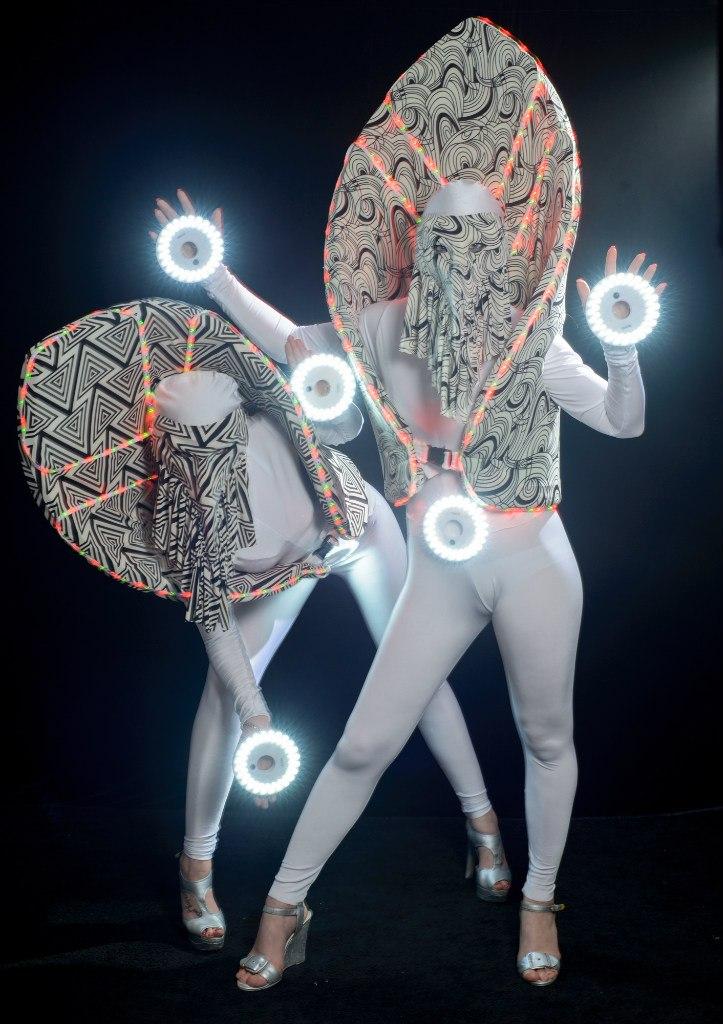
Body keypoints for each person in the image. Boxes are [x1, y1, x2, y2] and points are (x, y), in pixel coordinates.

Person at [234, 17, 667, 990]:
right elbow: (295, 340)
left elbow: (622, 420)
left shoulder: (528, 335)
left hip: (530, 557)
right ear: (419, 243)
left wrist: (622, 344)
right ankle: (284, 906)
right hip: (442, 567)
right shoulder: (381, 327)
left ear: (502, 244)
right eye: (443, 234)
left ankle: (540, 898)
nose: (461, 253)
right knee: (363, 741)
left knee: (545, 736)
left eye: (479, 236)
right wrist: (212, 273)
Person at [150, 190, 509, 952]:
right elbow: (216, 630)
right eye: (191, 453)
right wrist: (257, 717)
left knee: (417, 671)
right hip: (275, 573)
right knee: (223, 692)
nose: (211, 462)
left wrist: (217, 282)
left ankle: (483, 820)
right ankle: (196, 865)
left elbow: (318, 379)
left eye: (220, 441)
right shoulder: (187, 518)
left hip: (354, 527)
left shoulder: (277, 412)